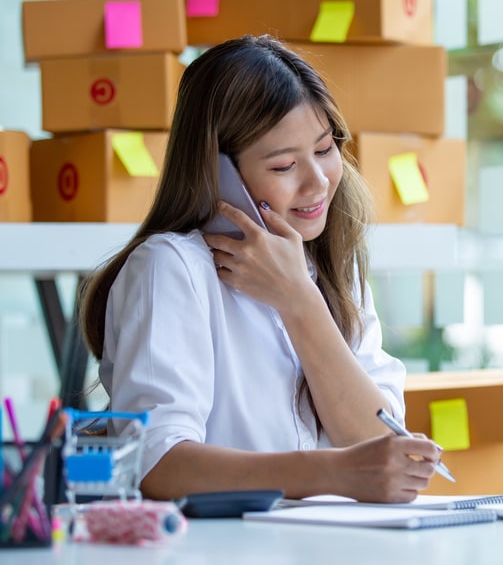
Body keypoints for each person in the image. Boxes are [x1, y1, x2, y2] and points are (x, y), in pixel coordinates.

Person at [79, 35, 442, 503]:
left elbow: (379, 448)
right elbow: (156, 462)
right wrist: (325, 474)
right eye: (285, 164)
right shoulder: (170, 268)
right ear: (219, 175)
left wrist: (301, 302)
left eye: (325, 148)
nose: (317, 182)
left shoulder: (330, 264)